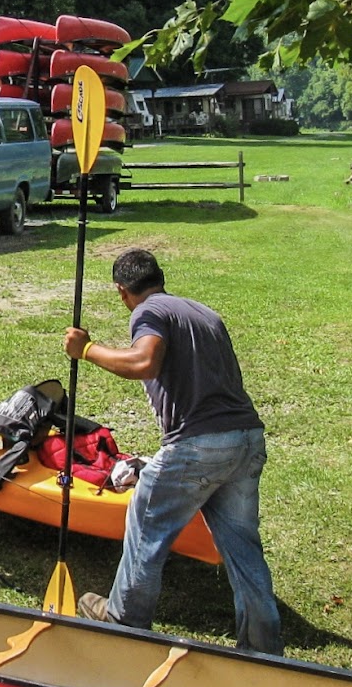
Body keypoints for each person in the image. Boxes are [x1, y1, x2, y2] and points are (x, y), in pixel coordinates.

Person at [63, 248, 282, 653]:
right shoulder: (202, 312)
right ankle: (262, 648)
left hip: (199, 444)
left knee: (146, 521)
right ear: (160, 277)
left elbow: (144, 361)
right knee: (242, 547)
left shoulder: (148, 312)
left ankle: (124, 620)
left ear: (122, 291)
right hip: (247, 439)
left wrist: (87, 349)